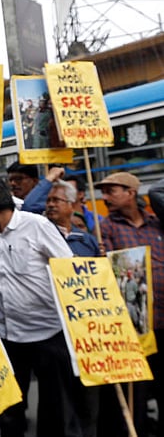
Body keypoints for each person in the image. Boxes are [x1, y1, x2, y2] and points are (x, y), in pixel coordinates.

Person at [0, 176, 80, 437]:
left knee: (54, 408)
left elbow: (68, 267)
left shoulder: (37, 225)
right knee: (10, 409)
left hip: (47, 332)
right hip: (6, 336)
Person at [99, 171, 164, 436]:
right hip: (134, 328)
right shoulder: (106, 229)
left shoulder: (157, 224)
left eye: (111, 191)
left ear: (131, 193)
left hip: (162, 320)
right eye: (103, 192)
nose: (105, 197)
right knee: (136, 395)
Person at [44, 179, 100, 437]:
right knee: (61, 397)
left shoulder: (87, 240)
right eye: (48, 200)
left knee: (88, 394)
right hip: (55, 327)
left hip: (87, 327)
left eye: (56, 200)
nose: (50, 205)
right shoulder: (41, 234)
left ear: (72, 205)